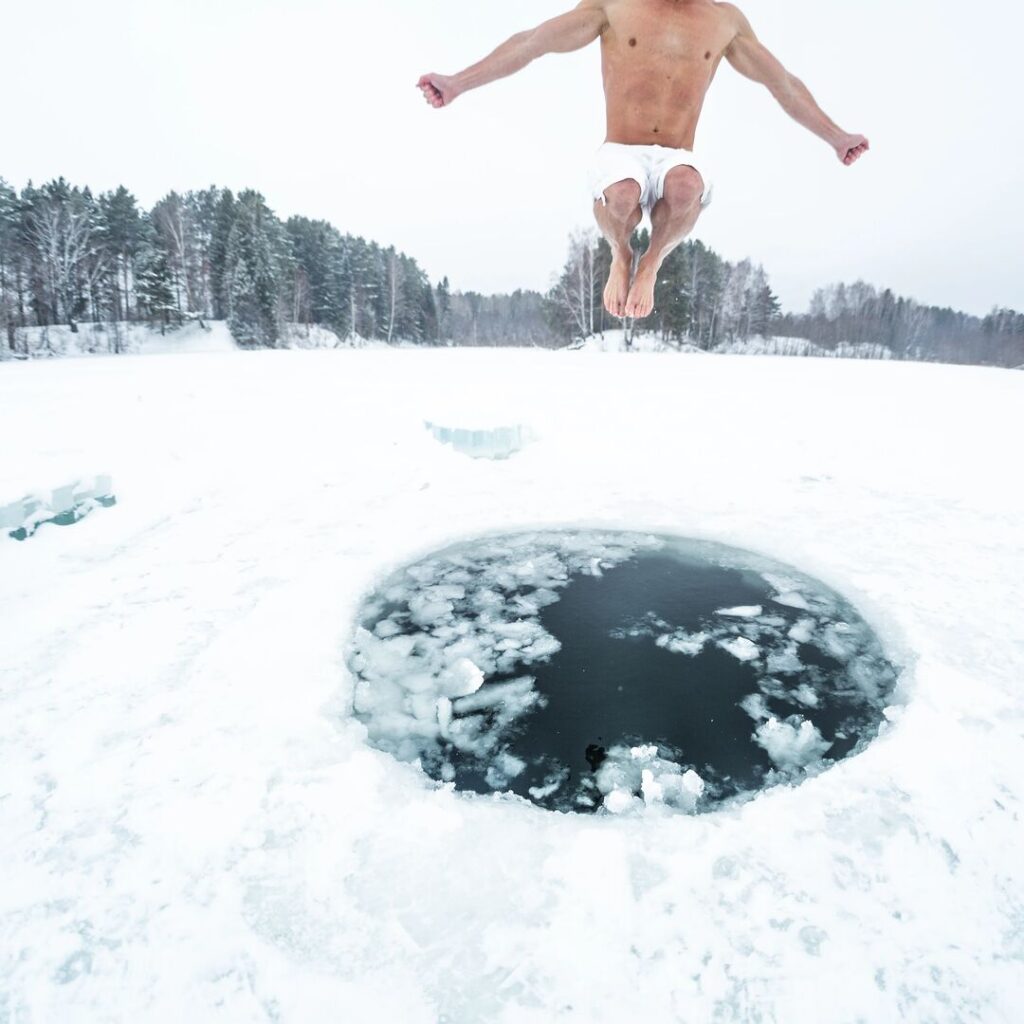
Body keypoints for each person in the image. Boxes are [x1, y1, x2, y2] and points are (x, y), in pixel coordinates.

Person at [418, 0, 868, 321]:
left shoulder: (724, 20)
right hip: (620, 150)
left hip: (677, 152)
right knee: (624, 194)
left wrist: (836, 136)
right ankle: (620, 254)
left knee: (686, 186)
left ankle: (650, 263)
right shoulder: (615, 5)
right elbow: (533, 42)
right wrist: (458, 82)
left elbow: (783, 84)